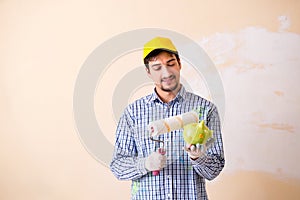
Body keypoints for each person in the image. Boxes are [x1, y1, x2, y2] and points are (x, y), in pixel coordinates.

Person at [110, 36, 225, 200]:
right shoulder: (133, 113)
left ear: (179, 64)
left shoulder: (206, 110)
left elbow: (214, 170)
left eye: (170, 64)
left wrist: (198, 158)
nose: (166, 72)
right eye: (157, 67)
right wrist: (146, 164)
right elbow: (118, 167)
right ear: (148, 72)